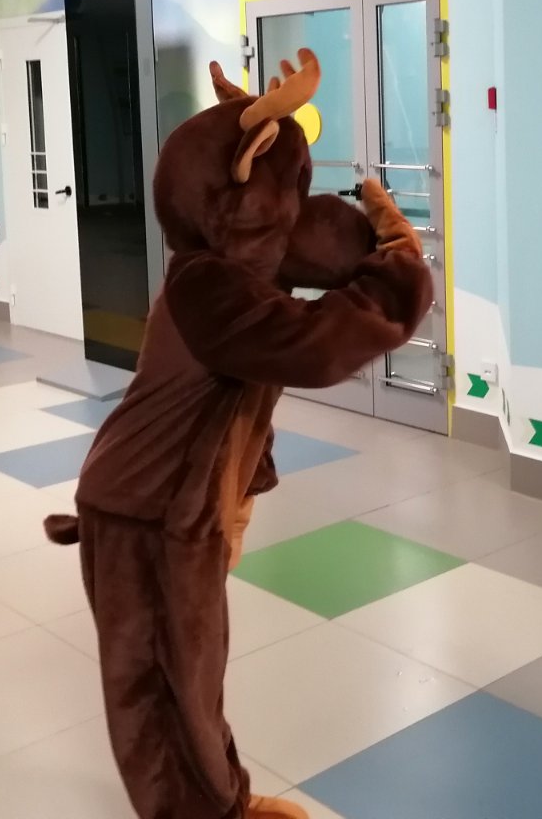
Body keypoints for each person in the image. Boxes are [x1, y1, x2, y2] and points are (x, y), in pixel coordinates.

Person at [44, 52, 432, 819]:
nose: (300, 207)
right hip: (148, 509)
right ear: (244, 192)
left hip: (171, 504)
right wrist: (400, 276)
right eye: (287, 187)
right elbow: (316, 346)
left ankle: (225, 800)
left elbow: (313, 247)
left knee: (192, 672)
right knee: (161, 686)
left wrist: (376, 243)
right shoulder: (208, 285)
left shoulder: (229, 260)